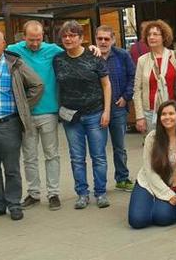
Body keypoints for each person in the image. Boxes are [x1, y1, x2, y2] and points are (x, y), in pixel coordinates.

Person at [0, 29, 44, 222]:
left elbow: (37, 85)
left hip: (8, 124)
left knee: (12, 168)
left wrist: (22, 106)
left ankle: (14, 204)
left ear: (3, 44)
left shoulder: (14, 64)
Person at [53, 20, 112, 209]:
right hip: (71, 117)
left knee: (99, 156)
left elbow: (106, 84)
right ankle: (82, 194)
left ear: (81, 38)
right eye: (65, 36)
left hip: (95, 113)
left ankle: (101, 193)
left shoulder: (94, 57)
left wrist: (107, 111)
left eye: (72, 35)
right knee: (77, 158)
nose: (68, 39)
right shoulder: (58, 59)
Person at [7, 20, 65, 211]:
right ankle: (33, 193)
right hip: (26, 114)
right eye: (31, 39)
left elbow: (74, 52)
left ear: (43, 37)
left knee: (52, 154)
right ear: (24, 37)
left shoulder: (53, 49)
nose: (35, 43)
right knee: (29, 156)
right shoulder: (14, 49)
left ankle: (53, 193)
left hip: (49, 111)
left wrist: (91, 48)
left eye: (38, 39)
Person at [128, 100, 176, 229]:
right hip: (149, 182)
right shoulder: (152, 137)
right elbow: (149, 171)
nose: (167, 117)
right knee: (137, 221)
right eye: (163, 114)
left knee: (164, 218)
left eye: (171, 114)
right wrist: (167, 194)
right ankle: (148, 202)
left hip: (171, 183)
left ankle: (157, 206)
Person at [95, 25, 136, 192]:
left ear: (113, 40)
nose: (103, 42)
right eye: (100, 39)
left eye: (106, 39)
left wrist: (126, 97)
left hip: (118, 108)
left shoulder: (122, 55)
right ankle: (100, 184)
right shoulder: (91, 56)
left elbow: (132, 77)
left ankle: (122, 178)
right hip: (97, 110)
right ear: (95, 39)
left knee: (119, 147)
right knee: (98, 149)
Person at [133, 20, 176, 135]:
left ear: (164, 37)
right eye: (149, 35)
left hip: (173, 110)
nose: (151, 37)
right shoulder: (142, 60)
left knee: (174, 144)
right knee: (154, 147)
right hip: (149, 112)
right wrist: (139, 116)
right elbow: (137, 90)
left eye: (155, 34)